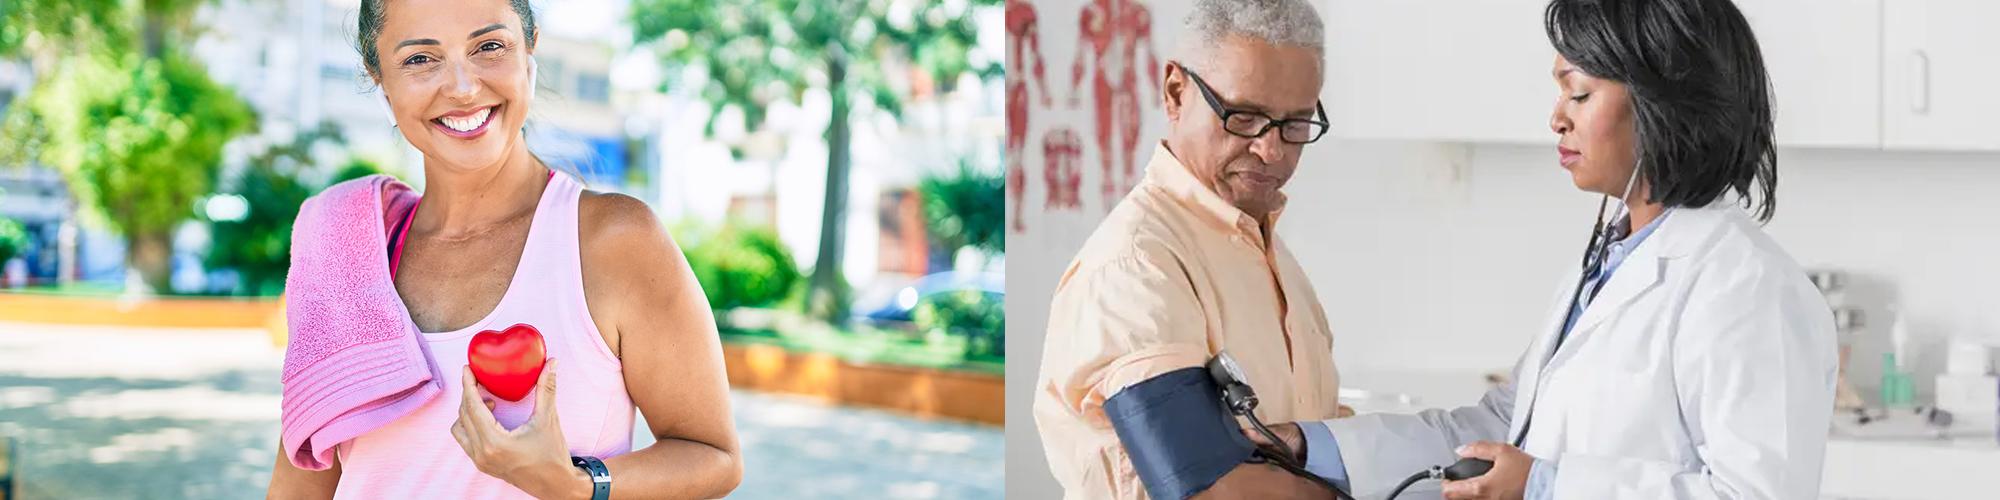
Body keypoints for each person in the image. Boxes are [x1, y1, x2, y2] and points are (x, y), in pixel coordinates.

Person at [1253, 0, 1838, 498]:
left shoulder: (1745, 285)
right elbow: (1504, 425)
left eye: (1579, 93)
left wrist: (1547, 486)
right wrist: (1315, 445)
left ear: (1663, 105)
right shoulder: (1610, 262)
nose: (1556, 118)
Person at [266, 0, 741, 497]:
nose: (464, 87)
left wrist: (577, 484)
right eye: (420, 59)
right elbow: (299, 487)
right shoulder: (344, 250)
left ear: (529, 53)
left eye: (489, 46)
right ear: (379, 77)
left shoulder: (613, 240)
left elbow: (714, 457)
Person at [1032, 0, 1349, 497]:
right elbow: (1210, 488)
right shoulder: (1136, 266)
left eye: (1295, 125)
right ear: (1176, 92)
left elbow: (1319, 433)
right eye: (1245, 118)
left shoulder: (1266, 252)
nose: (1272, 151)